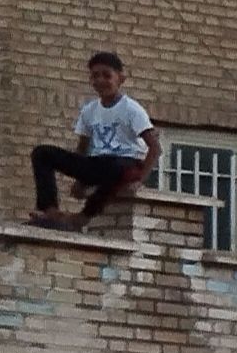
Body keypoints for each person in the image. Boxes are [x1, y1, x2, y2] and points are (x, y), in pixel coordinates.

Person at [29, 51, 152, 225]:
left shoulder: (132, 109)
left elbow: (155, 148)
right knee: (42, 153)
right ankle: (49, 210)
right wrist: (81, 178)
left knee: (114, 169)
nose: (101, 80)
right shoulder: (89, 111)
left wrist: (140, 180)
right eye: (95, 76)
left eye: (107, 75)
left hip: (126, 163)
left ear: (121, 78)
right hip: (99, 162)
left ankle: (84, 215)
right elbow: (82, 149)